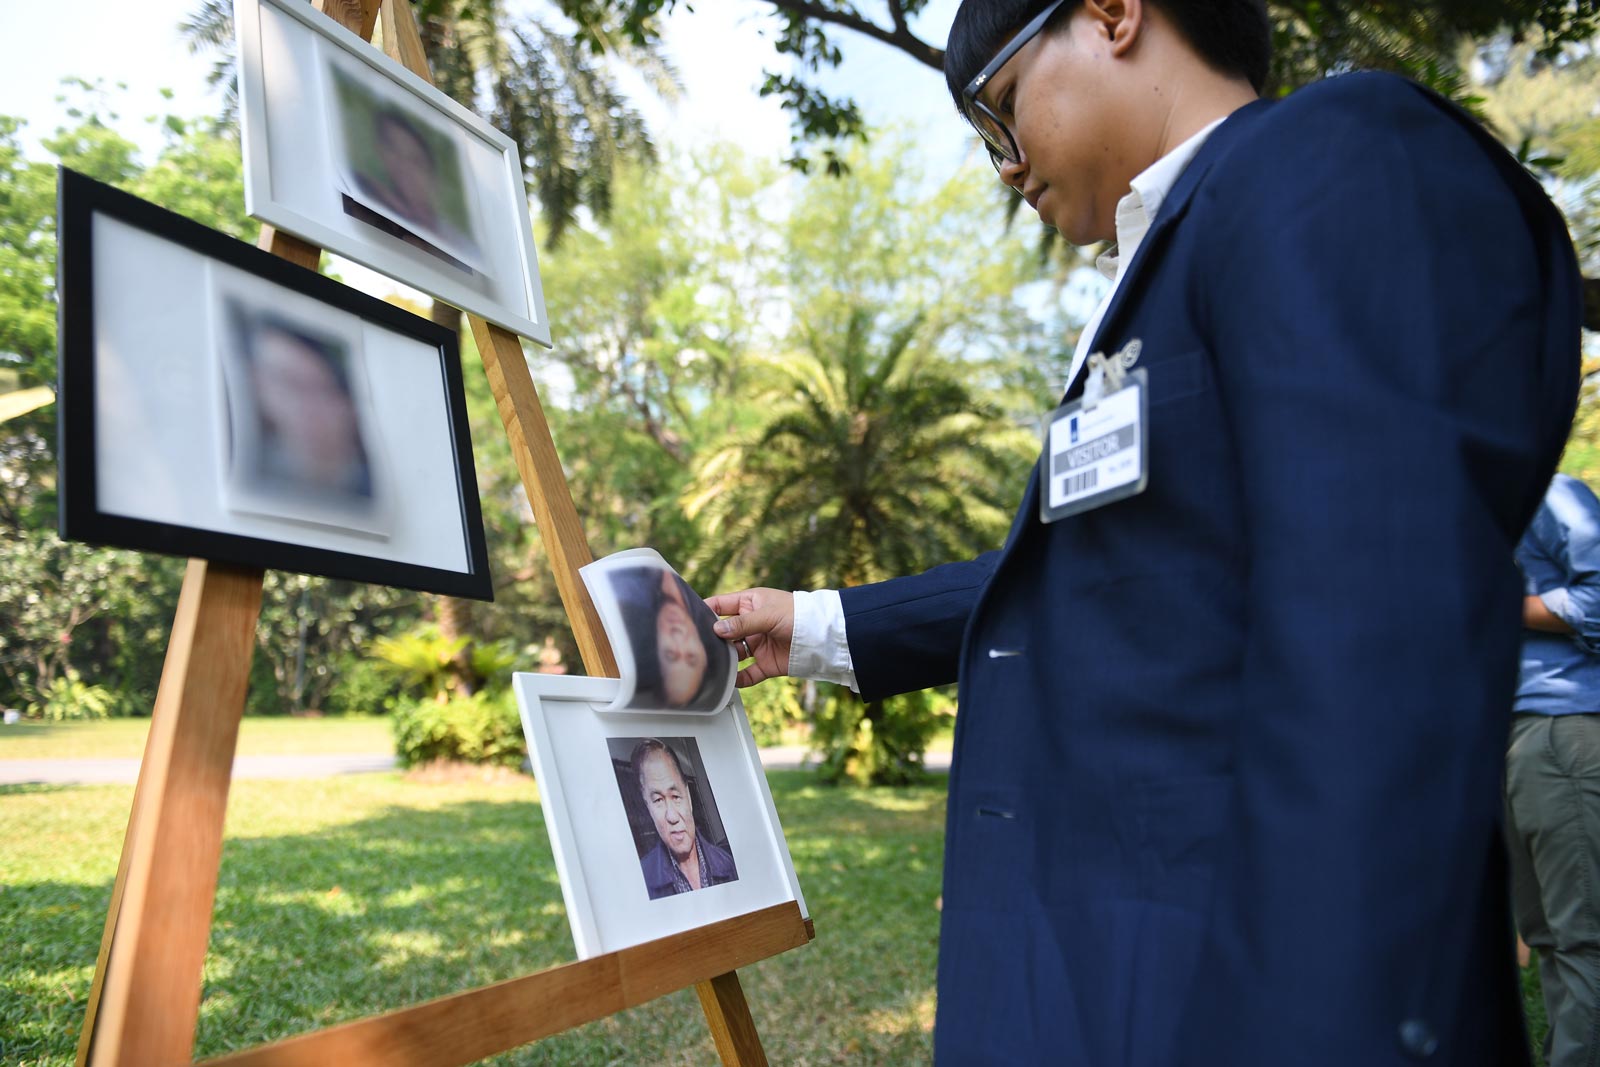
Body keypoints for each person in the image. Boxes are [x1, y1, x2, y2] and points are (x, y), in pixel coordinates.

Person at [707, 1, 1582, 1063]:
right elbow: (1113, 571)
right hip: (1106, 969)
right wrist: (808, 624)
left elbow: (1379, 635)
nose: (1006, 169)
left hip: (1233, 987)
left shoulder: (1330, 159)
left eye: (1000, 114)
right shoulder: (1171, 256)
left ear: (1113, 13)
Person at [1506, 473, 1600, 1067]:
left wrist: (1491, 604)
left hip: (1562, 730)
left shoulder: (1548, 491)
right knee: (1546, 940)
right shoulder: (1470, 505)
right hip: (1512, 740)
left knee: (1584, 940)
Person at [233, 309, 373, 501]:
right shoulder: (259, 470)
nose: (306, 408)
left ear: (347, 404)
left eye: (319, 389)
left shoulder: (366, 489)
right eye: (285, 383)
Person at [629, 739, 738, 900]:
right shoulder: (639, 882)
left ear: (688, 796)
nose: (672, 817)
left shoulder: (727, 864)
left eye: (676, 796)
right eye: (658, 800)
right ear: (648, 808)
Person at [614, 567, 729, 711]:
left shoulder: (626, 591)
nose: (679, 635)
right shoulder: (704, 609)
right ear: (705, 654)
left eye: (669, 654)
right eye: (691, 657)